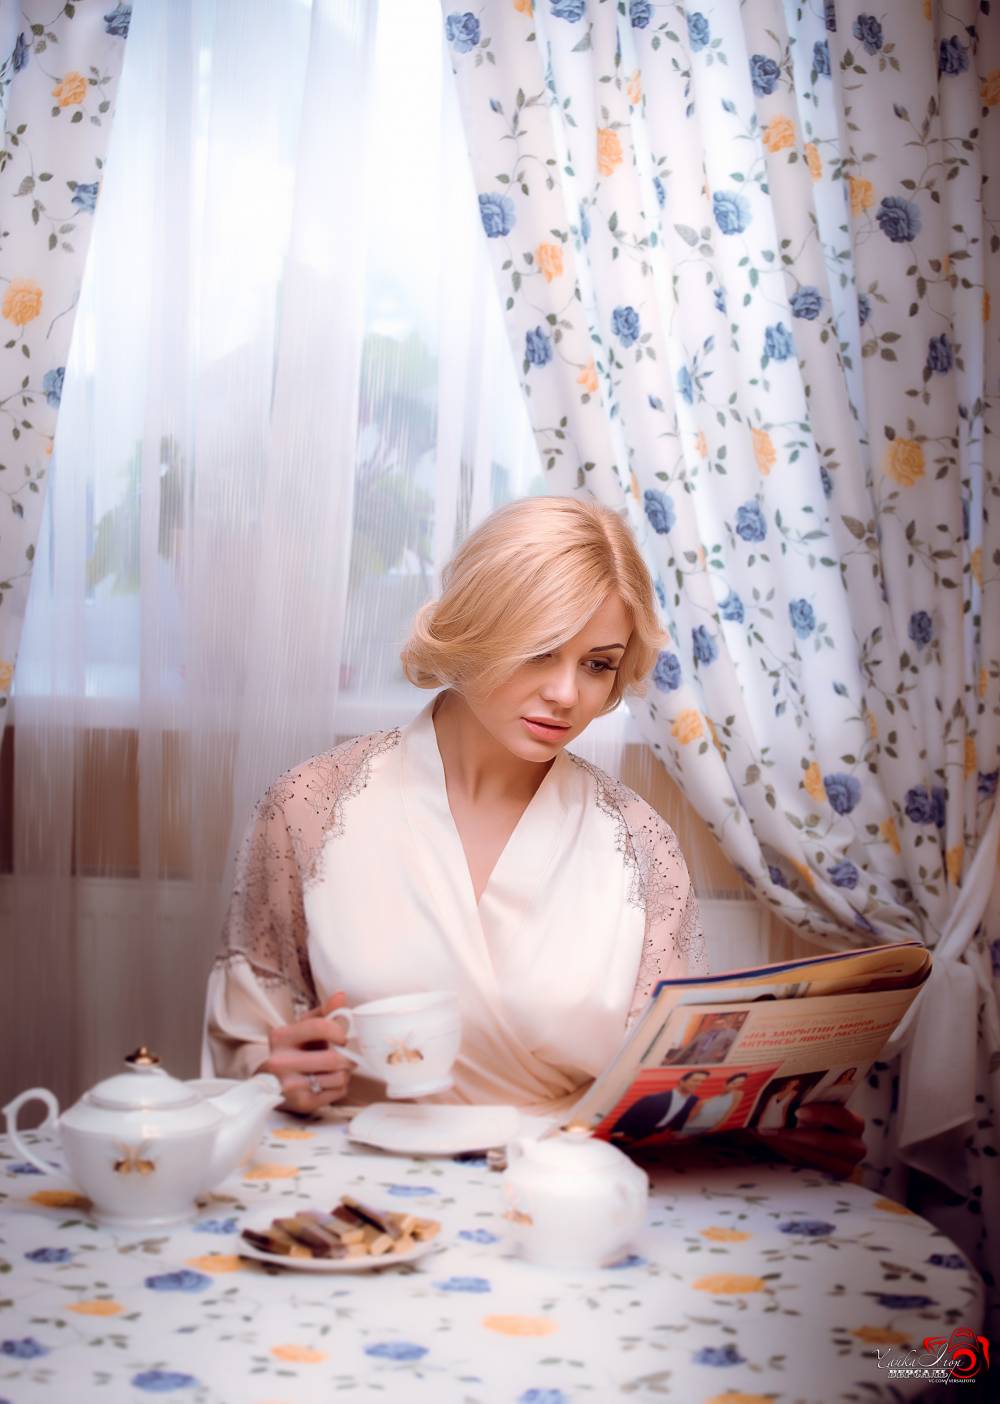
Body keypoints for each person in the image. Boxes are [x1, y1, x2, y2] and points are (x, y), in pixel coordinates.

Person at [203, 496, 865, 1176]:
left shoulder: (641, 846)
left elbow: (669, 1093)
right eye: (540, 651)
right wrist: (273, 1071)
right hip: (361, 1191)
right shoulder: (309, 809)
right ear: (472, 631)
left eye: (598, 664)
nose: (566, 694)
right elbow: (244, 1051)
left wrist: (766, 1129)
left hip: (563, 1189)